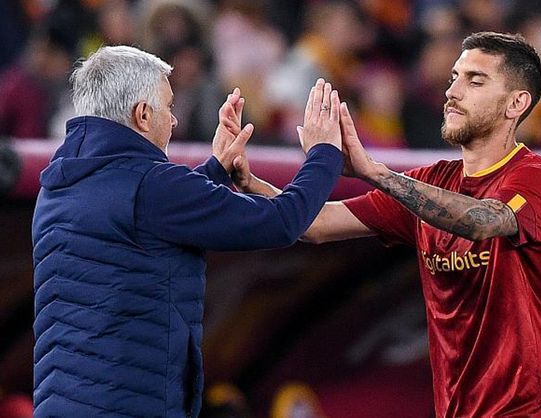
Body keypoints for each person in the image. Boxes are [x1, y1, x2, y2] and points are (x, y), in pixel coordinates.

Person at [233, 32, 541, 417]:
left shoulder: (539, 178)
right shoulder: (430, 183)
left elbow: (483, 220)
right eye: (454, 77)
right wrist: (248, 183)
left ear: (517, 103)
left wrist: (375, 173)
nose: (453, 91)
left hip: (530, 409)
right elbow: (314, 224)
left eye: (475, 80)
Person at [31, 45, 344, 418]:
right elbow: (282, 222)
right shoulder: (154, 187)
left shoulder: (57, 185)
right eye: (168, 106)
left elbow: (135, 216)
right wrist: (325, 154)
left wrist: (212, 173)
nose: (175, 121)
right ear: (142, 115)